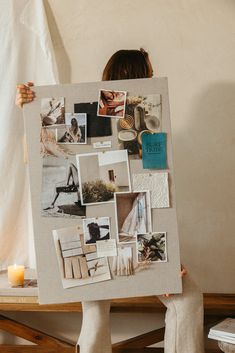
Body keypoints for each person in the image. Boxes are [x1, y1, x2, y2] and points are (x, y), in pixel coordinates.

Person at [16, 48, 205, 353]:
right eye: (149, 72)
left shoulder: (149, 127)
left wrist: (166, 258)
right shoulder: (85, 115)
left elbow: (157, 199)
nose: (154, 78)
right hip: (95, 240)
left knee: (184, 299)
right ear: (138, 76)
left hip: (132, 236)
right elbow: (35, 162)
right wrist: (28, 107)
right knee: (97, 311)